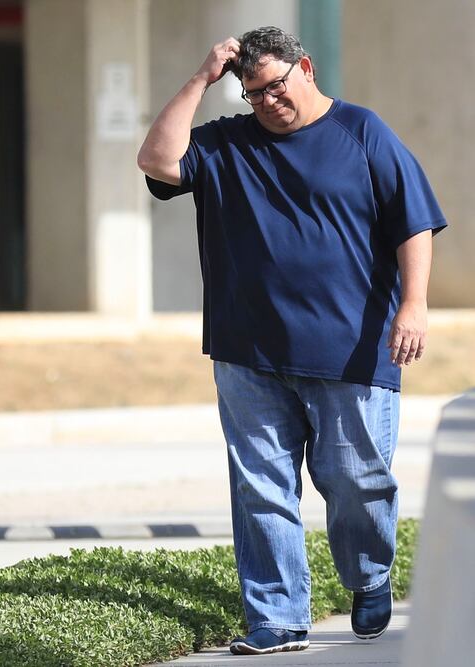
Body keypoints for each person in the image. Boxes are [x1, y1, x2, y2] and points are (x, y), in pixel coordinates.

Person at [137, 26, 446, 656]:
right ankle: (277, 617)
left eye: (277, 86)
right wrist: (202, 78)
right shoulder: (225, 144)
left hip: (351, 349)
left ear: (304, 67)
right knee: (260, 488)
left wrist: (412, 307)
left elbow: (413, 222)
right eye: (253, 94)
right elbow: (157, 162)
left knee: (356, 479)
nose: (269, 102)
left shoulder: (362, 132)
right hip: (247, 351)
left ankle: (369, 576)